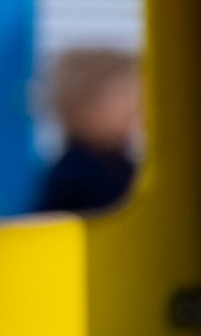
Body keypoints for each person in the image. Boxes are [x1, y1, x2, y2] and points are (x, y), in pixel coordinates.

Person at [37, 46, 139, 214]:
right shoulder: (71, 176)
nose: (135, 105)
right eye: (122, 93)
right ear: (85, 108)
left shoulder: (124, 166)